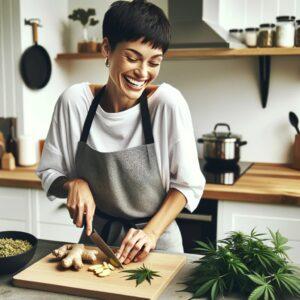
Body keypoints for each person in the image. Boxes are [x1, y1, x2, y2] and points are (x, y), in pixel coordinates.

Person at [36, 0, 205, 265]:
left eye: (154, 62)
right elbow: (49, 172)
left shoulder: (167, 104)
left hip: (157, 245)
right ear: (107, 48)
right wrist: (72, 183)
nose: (143, 72)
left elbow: (188, 185)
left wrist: (150, 233)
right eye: (133, 57)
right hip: (96, 245)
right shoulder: (74, 103)